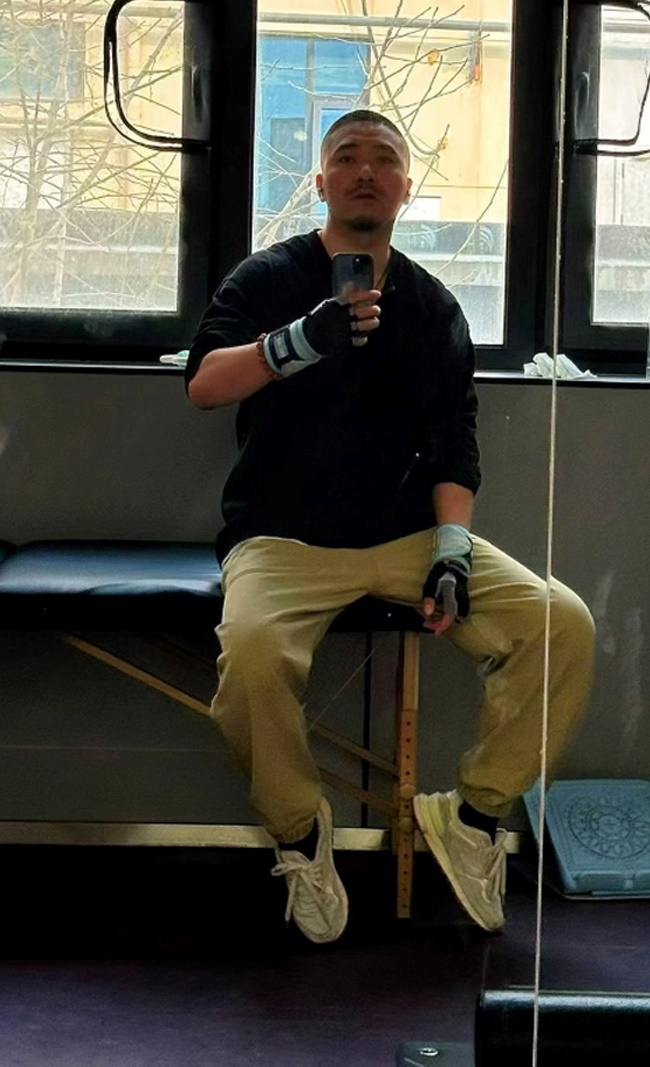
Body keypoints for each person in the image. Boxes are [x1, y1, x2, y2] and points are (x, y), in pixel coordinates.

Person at [184, 109, 595, 943]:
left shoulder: (433, 306)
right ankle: (299, 833)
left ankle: (473, 817)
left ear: (407, 187)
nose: (365, 171)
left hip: (406, 538)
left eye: (384, 159)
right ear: (322, 182)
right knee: (253, 661)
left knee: (561, 623)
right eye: (347, 157)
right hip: (282, 538)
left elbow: (454, 443)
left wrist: (452, 550)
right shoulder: (269, 276)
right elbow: (203, 384)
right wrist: (295, 343)